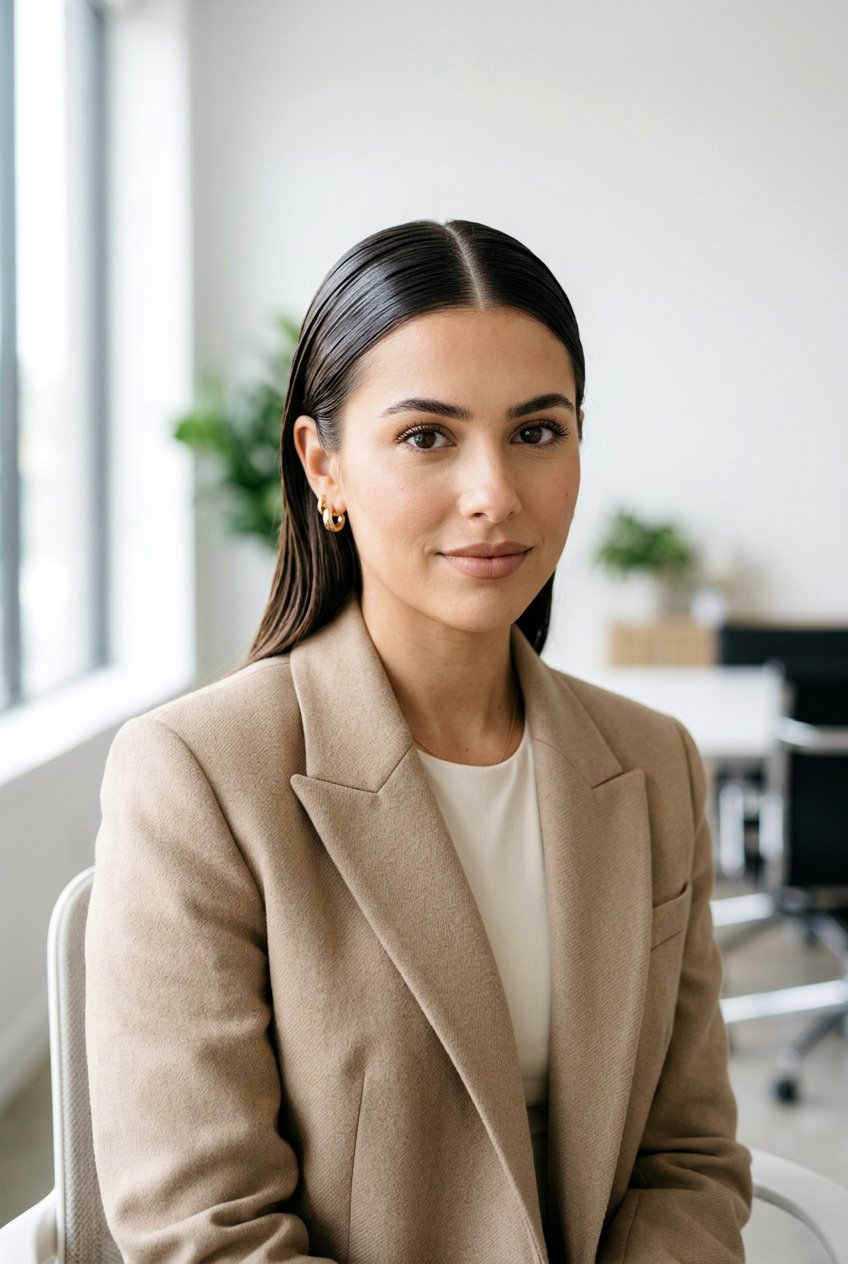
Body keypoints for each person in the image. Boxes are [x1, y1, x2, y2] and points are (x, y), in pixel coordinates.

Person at [85, 218, 753, 1264]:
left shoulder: (653, 762)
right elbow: (206, 1231)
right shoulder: (199, 775)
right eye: (427, 437)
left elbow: (688, 1159)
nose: (494, 494)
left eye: (537, 432)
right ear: (323, 465)